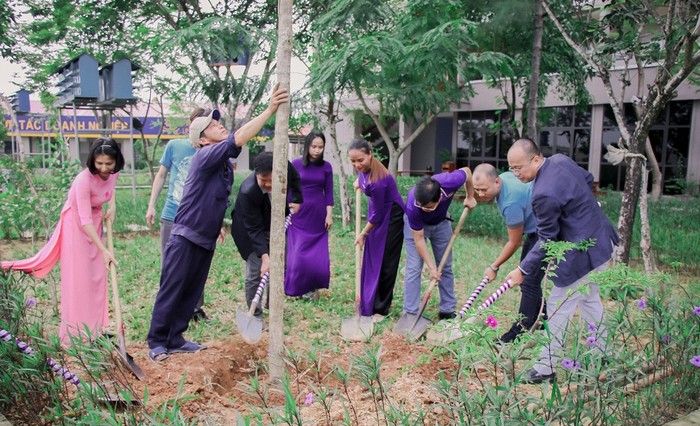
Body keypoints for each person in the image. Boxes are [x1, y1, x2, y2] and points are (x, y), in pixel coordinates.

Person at [146, 85, 289, 362]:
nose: (219, 126)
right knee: (173, 286)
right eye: (212, 125)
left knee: (192, 289)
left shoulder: (222, 164)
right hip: (186, 235)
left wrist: (219, 224)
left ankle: (175, 338)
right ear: (201, 139)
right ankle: (157, 341)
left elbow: (212, 197)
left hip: (205, 237)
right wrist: (270, 110)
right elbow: (239, 138)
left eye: (217, 121)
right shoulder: (204, 155)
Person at [503, 138, 619, 384]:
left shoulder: (542, 193)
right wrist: (583, 210)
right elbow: (587, 179)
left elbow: (546, 239)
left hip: (583, 253)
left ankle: (545, 369)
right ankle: (604, 354)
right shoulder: (561, 160)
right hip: (600, 240)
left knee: (557, 306)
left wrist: (522, 269)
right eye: (511, 168)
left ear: (535, 159)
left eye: (519, 168)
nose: (515, 174)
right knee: (589, 300)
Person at [2, 138, 125, 347]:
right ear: (92, 160)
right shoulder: (83, 181)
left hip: (95, 223)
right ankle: (75, 336)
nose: (104, 168)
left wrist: (112, 205)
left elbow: (110, 187)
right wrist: (103, 250)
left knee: (96, 279)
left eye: (109, 164)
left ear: (116, 162)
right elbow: (83, 219)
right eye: (99, 163)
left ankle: (95, 331)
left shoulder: (113, 173)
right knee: (80, 280)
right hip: (76, 226)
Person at [145, 107, 211, 322]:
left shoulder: (210, 151)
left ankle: (195, 309)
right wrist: (151, 205)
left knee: (196, 264)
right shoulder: (175, 146)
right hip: (172, 215)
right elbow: (161, 175)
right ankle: (169, 309)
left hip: (198, 219)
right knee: (171, 264)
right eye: (196, 122)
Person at [472, 163, 545, 343]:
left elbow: (514, 242)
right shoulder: (505, 177)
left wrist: (494, 267)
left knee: (528, 282)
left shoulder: (510, 203)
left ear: (496, 181)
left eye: (483, 190)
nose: (481, 195)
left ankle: (518, 333)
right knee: (530, 281)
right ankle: (544, 319)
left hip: (544, 232)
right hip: (535, 229)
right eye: (477, 190)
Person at [231, 151, 303, 318]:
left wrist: (298, 199)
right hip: (248, 230)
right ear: (256, 174)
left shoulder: (283, 167)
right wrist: (264, 256)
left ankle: (274, 305)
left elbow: (296, 178)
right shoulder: (248, 192)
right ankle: (255, 314)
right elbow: (254, 229)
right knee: (256, 271)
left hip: (275, 222)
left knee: (278, 266)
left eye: (272, 180)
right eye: (264, 180)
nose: (269, 184)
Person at [403, 168, 476, 320]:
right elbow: (419, 239)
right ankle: (410, 313)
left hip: (442, 223)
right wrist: (431, 268)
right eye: (422, 206)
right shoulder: (413, 206)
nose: (424, 209)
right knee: (414, 267)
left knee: (446, 266)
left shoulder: (450, 181)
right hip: (416, 228)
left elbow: (467, 172)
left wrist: (470, 196)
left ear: (439, 198)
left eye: (429, 207)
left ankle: (447, 310)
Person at [348, 139, 405, 322]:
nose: (357, 165)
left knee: (386, 261)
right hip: (378, 215)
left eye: (360, 160)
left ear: (370, 154)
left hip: (391, 217)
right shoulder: (366, 171)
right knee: (373, 257)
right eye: (353, 161)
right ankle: (370, 301)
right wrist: (359, 182)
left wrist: (364, 233)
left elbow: (377, 215)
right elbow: (364, 181)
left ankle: (381, 308)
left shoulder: (379, 180)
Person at [284, 131, 334, 299]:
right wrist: (289, 208)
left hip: (318, 213)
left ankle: (312, 289)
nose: (317, 150)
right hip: (299, 213)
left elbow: (329, 192)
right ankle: (296, 287)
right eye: (314, 146)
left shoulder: (327, 167)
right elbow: (290, 188)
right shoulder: (296, 164)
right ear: (307, 146)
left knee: (315, 254)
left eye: (321, 147)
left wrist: (329, 215)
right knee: (297, 252)